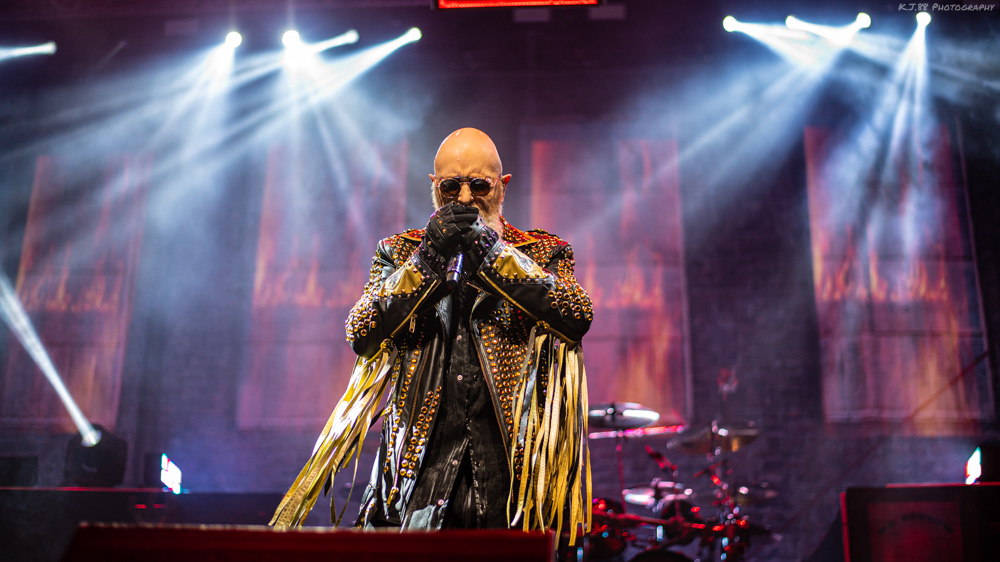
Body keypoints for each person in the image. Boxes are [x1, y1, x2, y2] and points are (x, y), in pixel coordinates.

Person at [270, 128, 593, 539]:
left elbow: (576, 313)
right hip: (416, 472)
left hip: (511, 478)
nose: (463, 199)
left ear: (502, 186)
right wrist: (429, 259)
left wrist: (491, 253)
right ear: (433, 186)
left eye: (479, 186)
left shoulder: (543, 252)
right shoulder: (400, 252)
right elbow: (361, 330)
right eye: (450, 187)